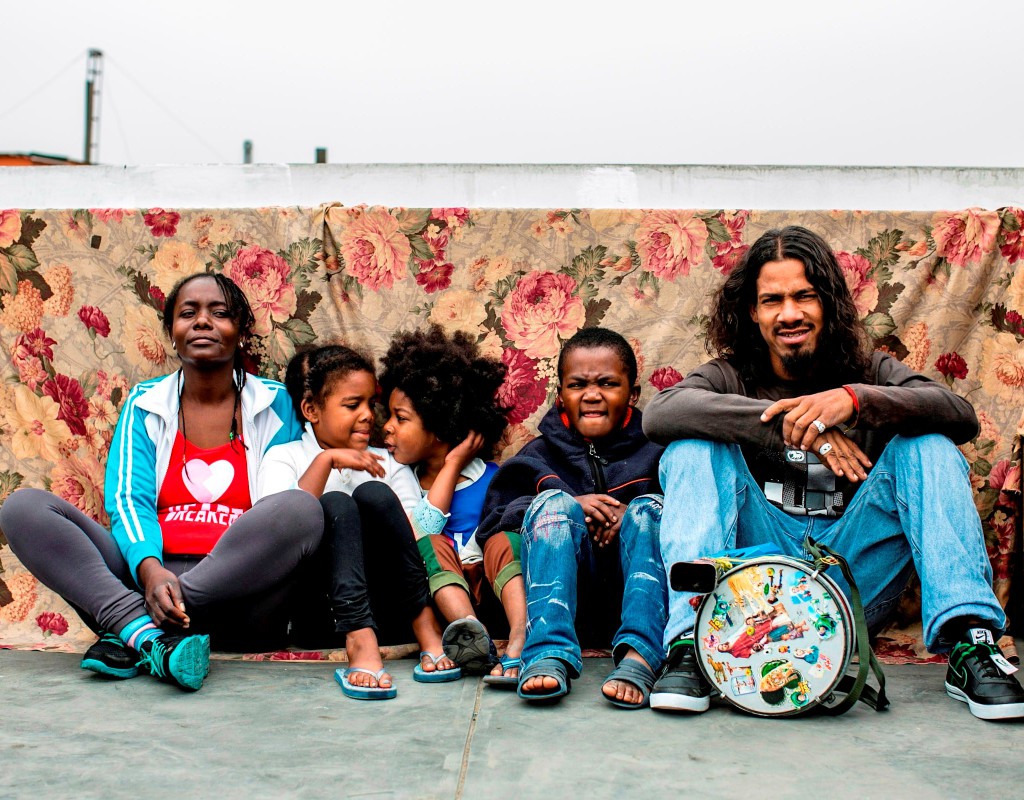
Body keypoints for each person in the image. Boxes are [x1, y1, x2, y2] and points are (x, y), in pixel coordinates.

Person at [644, 225, 1024, 720]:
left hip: (853, 577)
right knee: (691, 448)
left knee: (930, 445)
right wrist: (792, 425)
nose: (790, 314)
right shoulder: (730, 375)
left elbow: (959, 415)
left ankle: (970, 642)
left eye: (805, 296)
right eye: (772, 300)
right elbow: (660, 414)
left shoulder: (868, 369)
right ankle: (692, 644)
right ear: (752, 312)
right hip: (757, 582)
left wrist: (854, 401)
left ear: (828, 302)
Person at [0, 272, 324, 691]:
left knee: (302, 508)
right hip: (143, 580)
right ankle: (153, 638)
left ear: (242, 332)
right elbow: (127, 498)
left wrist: (175, 593)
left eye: (220, 313)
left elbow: (279, 507)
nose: (203, 322)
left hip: (240, 598)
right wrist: (152, 573)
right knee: (23, 508)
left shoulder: (276, 401)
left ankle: (132, 630)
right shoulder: (146, 401)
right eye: (188, 313)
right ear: (172, 333)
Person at [476, 327, 667, 707]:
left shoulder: (656, 450)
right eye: (578, 384)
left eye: (608, 384)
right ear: (561, 394)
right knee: (551, 504)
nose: (592, 395)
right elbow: (495, 520)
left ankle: (641, 655)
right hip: (564, 603)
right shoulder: (539, 455)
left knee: (651, 509)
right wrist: (572, 504)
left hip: (631, 602)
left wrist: (630, 515)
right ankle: (548, 651)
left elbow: (695, 516)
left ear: (632, 394)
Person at [258, 344, 460, 700]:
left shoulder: (386, 461)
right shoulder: (283, 458)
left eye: (371, 403)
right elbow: (277, 533)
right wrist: (327, 461)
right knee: (335, 503)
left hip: (392, 613)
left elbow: (417, 531)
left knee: (374, 495)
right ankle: (360, 640)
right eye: (353, 405)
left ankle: (425, 625)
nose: (369, 415)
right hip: (322, 615)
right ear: (311, 410)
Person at [378, 326, 525, 685]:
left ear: (441, 427)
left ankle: (523, 633)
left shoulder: (495, 478)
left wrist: (456, 464)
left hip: (495, 595)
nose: (386, 427)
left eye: (401, 418)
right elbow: (423, 531)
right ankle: (468, 634)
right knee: (430, 543)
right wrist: (452, 465)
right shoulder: (399, 480)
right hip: (438, 603)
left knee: (503, 540)